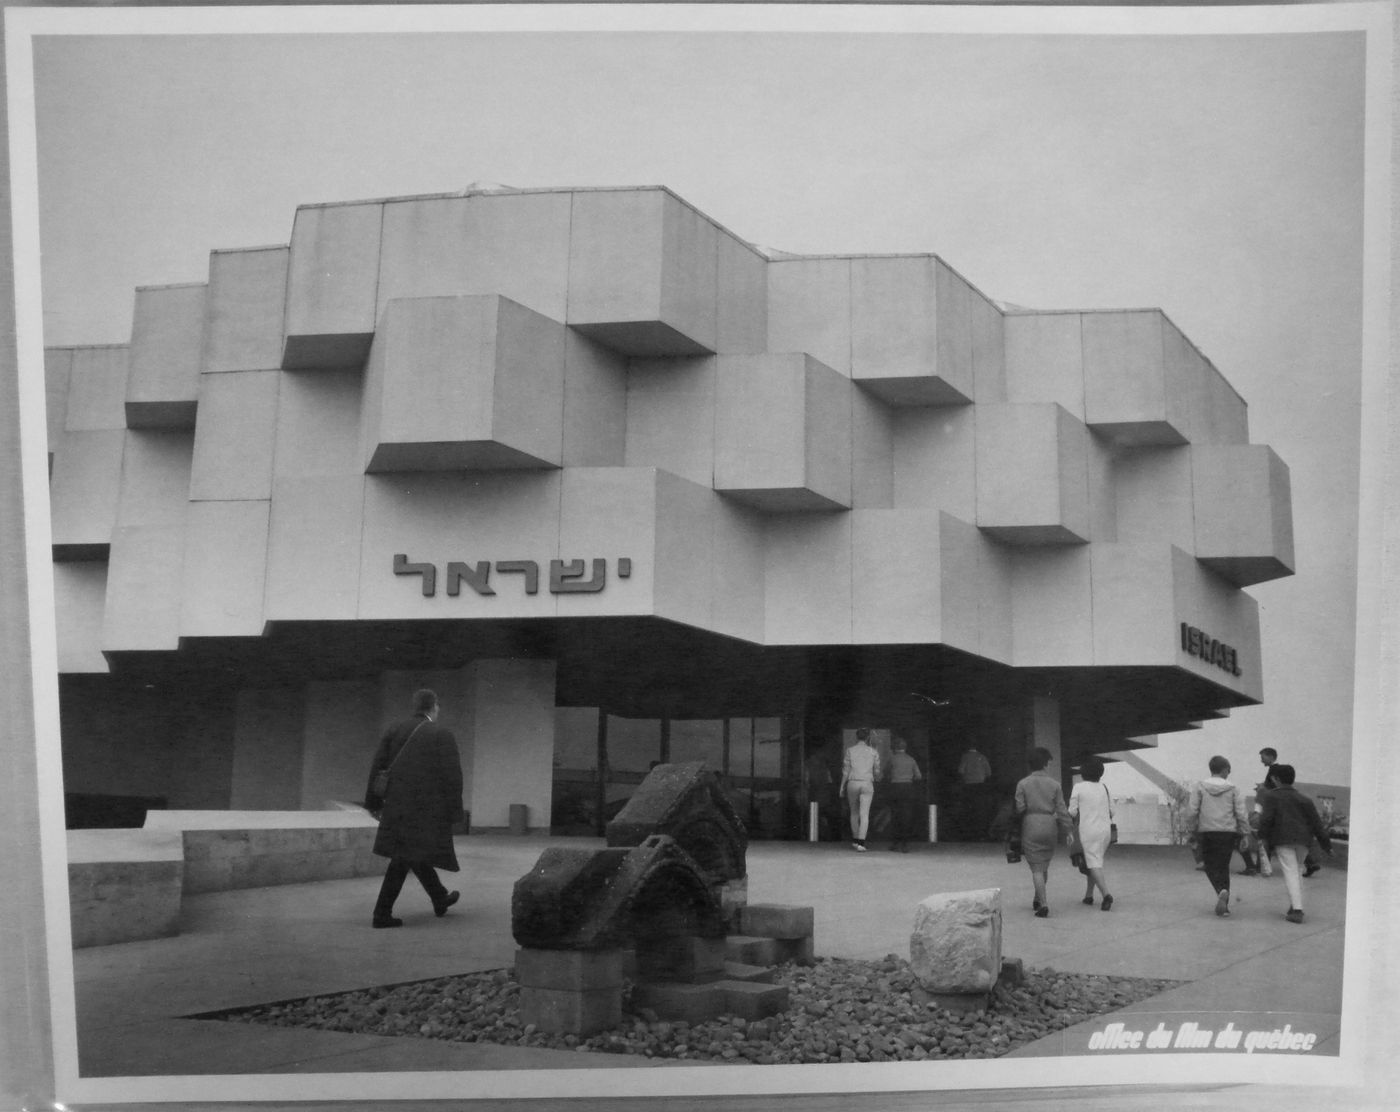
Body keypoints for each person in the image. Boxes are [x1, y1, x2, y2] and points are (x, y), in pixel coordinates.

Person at [363, 688, 464, 928]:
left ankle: (439, 897)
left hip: (396, 806)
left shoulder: (394, 730)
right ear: (434, 706)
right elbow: (453, 777)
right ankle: (381, 913)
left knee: (411, 852)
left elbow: (378, 767)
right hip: (427, 811)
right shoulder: (442, 734)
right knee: (403, 857)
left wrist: (373, 802)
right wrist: (455, 811)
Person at [1257, 763, 1333, 923]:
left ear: (1276, 779)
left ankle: (1297, 910)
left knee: (1291, 871)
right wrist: (1326, 845)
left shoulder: (1271, 797)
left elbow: (1266, 820)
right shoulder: (1304, 799)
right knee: (1297, 871)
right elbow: (1317, 823)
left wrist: (1262, 838)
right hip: (1304, 841)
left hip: (1282, 839)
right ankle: (1294, 905)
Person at [1186, 756, 1251, 917]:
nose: (1229, 773)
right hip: (1228, 832)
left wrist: (1192, 829)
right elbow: (1241, 813)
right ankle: (1225, 905)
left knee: (1208, 865)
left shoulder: (1200, 786)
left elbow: (1192, 810)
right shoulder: (1233, 788)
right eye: (1229, 770)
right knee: (1223, 866)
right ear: (1223, 769)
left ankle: (1220, 890)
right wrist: (1244, 833)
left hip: (1206, 831)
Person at [1013, 747, 1074, 918]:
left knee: (1036, 869)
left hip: (1031, 825)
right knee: (1044, 865)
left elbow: (1020, 807)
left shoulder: (1022, 784)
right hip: (1050, 826)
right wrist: (1069, 830)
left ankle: (1044, 904)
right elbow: (1062, 810)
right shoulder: (1055, 785)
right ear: (1046, 764)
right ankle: (1037, 898)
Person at [1259, 747, 1319, 878]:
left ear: (1270, 757)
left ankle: (1265, 865)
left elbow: (1273, 788)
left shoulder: (1274, 770)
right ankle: (1310, 862)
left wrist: (1262, 788)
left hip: (1277, 808)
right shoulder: (1276, 770)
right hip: (1282, 808)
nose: (1261, 760)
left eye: (1263, 757)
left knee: (1273, 836)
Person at [1068, 755, 1115, 911]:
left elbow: (1072, 812)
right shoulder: (1105, 788)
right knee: (1095, 862)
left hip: (1087, 830)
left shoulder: (1078, 787)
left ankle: (1106, 895)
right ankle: (1089, 895)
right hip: (1105, 831)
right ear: (1100, 772)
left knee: (1093, 863)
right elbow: (1112, 812)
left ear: (1083, 772)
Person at [839, 728, 881, 852]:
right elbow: (877, 772)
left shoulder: (850, 751)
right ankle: (861, 843)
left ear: (856, 737)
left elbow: (846, 771)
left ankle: (855, 840)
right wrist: (877, 777)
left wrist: (842, 786)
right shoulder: (873, 752)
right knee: (864, 814)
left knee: (854, 813)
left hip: (853, 783)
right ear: (868, 738)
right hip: (867, 783)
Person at [884, 736, 924, 852]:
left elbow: (886, 772)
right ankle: (905, 844)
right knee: (906, 816)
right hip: (908, 788)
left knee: (895, 815)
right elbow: (918, 776)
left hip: (895, 788)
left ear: (894, 748)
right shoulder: (911, 759)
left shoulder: (892, 759)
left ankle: (895, 843)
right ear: (905, 748)